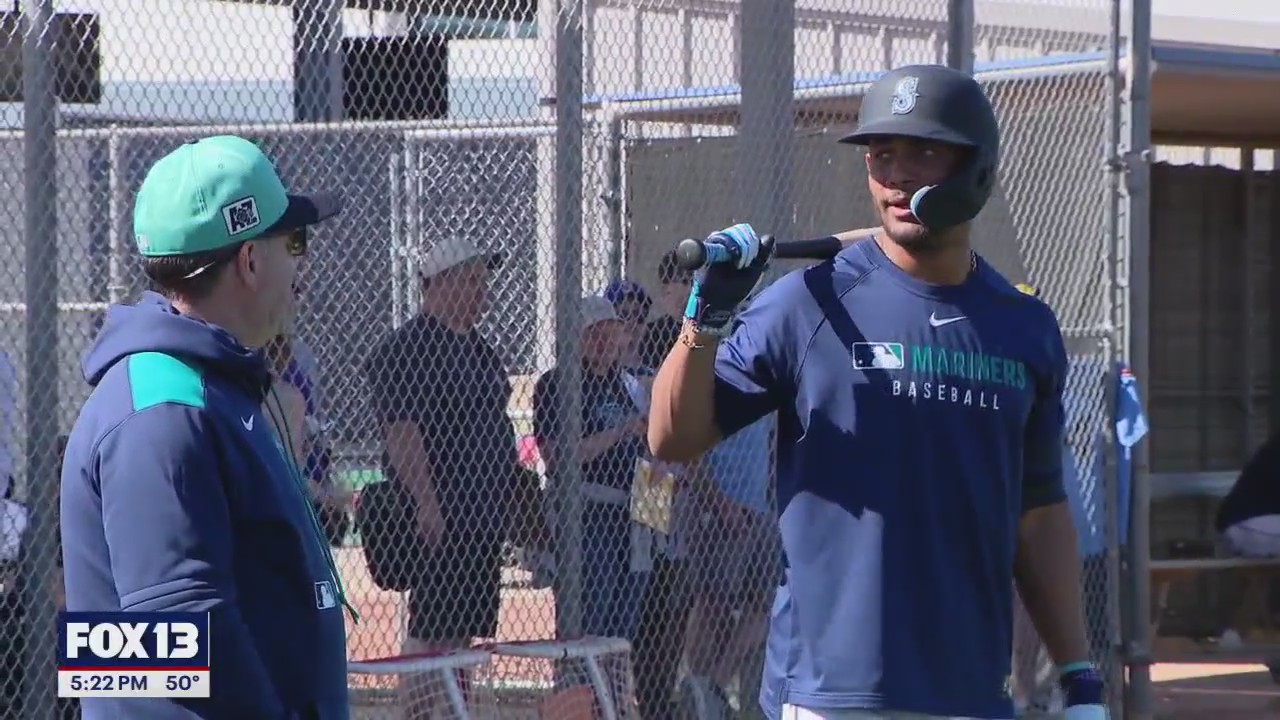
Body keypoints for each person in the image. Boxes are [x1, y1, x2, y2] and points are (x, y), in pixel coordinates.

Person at [646, 65, 1107, 720]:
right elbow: (673, 437)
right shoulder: (806, 306)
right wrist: (705, 320)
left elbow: (1041, 511)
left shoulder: (1023, 327)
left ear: (977, 168)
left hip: (971, 690)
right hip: (828, 694)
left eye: (923, 152)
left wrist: (1078, 674)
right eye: (882, 154)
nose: (897, 175)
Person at [59, 134, 352, 719]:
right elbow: (176, 632)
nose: (301, 266)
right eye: (294, 241)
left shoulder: (206, 386)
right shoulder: (161, 409)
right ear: (250, 261)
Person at [363, 236, 528, 719]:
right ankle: (415, 714)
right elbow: (402, 433)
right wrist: (425, 503)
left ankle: (450, 711)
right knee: (431, 627)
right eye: (472, 281)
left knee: (461, 631)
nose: (483, 293)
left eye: (483, 282)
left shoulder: (481, 351)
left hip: (481, 517)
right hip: (442, 515)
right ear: (440, 284)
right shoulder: (409, 348)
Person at [533, 296, 650, 640]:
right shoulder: (558, 383)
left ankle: (614, 676)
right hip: (588, 510)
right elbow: (557, 457)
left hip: (635, 508)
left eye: (611, 333)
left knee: (626, 621)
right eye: (595, 334)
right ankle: (578, 674)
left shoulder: (625, 383)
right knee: (590, 614)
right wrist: (620, 432)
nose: (605, 343)